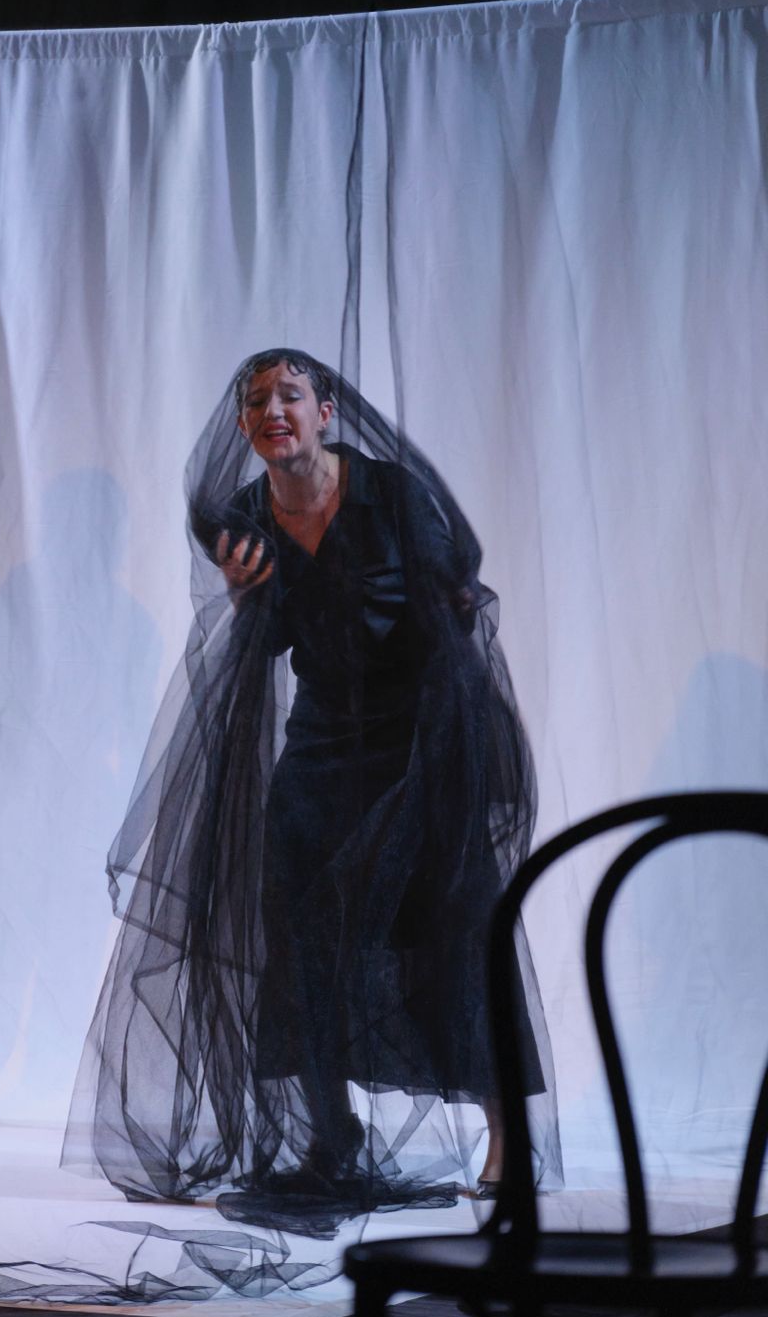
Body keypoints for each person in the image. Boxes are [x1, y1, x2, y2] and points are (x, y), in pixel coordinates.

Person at [63, 349, 558, 1235]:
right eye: (257, 401)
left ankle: (506, 1134)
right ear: (245, 426)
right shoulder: (244, 518)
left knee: (454, 930)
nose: (274, 411)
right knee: (298, 933)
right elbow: (276, 644)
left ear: (325, 412)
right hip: (324, 742)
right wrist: (242, 596)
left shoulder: (391, 494)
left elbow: (458, 601)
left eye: (290, 395)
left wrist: (450, 746)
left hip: (421, 738)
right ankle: (332, 1132)